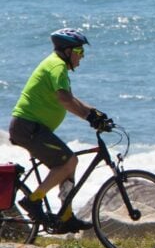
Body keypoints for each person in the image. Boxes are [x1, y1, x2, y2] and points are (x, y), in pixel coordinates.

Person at [9, 28, 110, 233]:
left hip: (33, 128)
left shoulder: (57, 66)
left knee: (68, 166)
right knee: (69, 161)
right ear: (67, 51)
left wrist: (95, 113)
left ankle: (66, 217)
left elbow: (71, 98)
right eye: (79, 52)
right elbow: (64, 100)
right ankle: (33, 200)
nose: (82, 56)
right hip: (28, 128)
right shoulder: (56, 66)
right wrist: (89, 117)